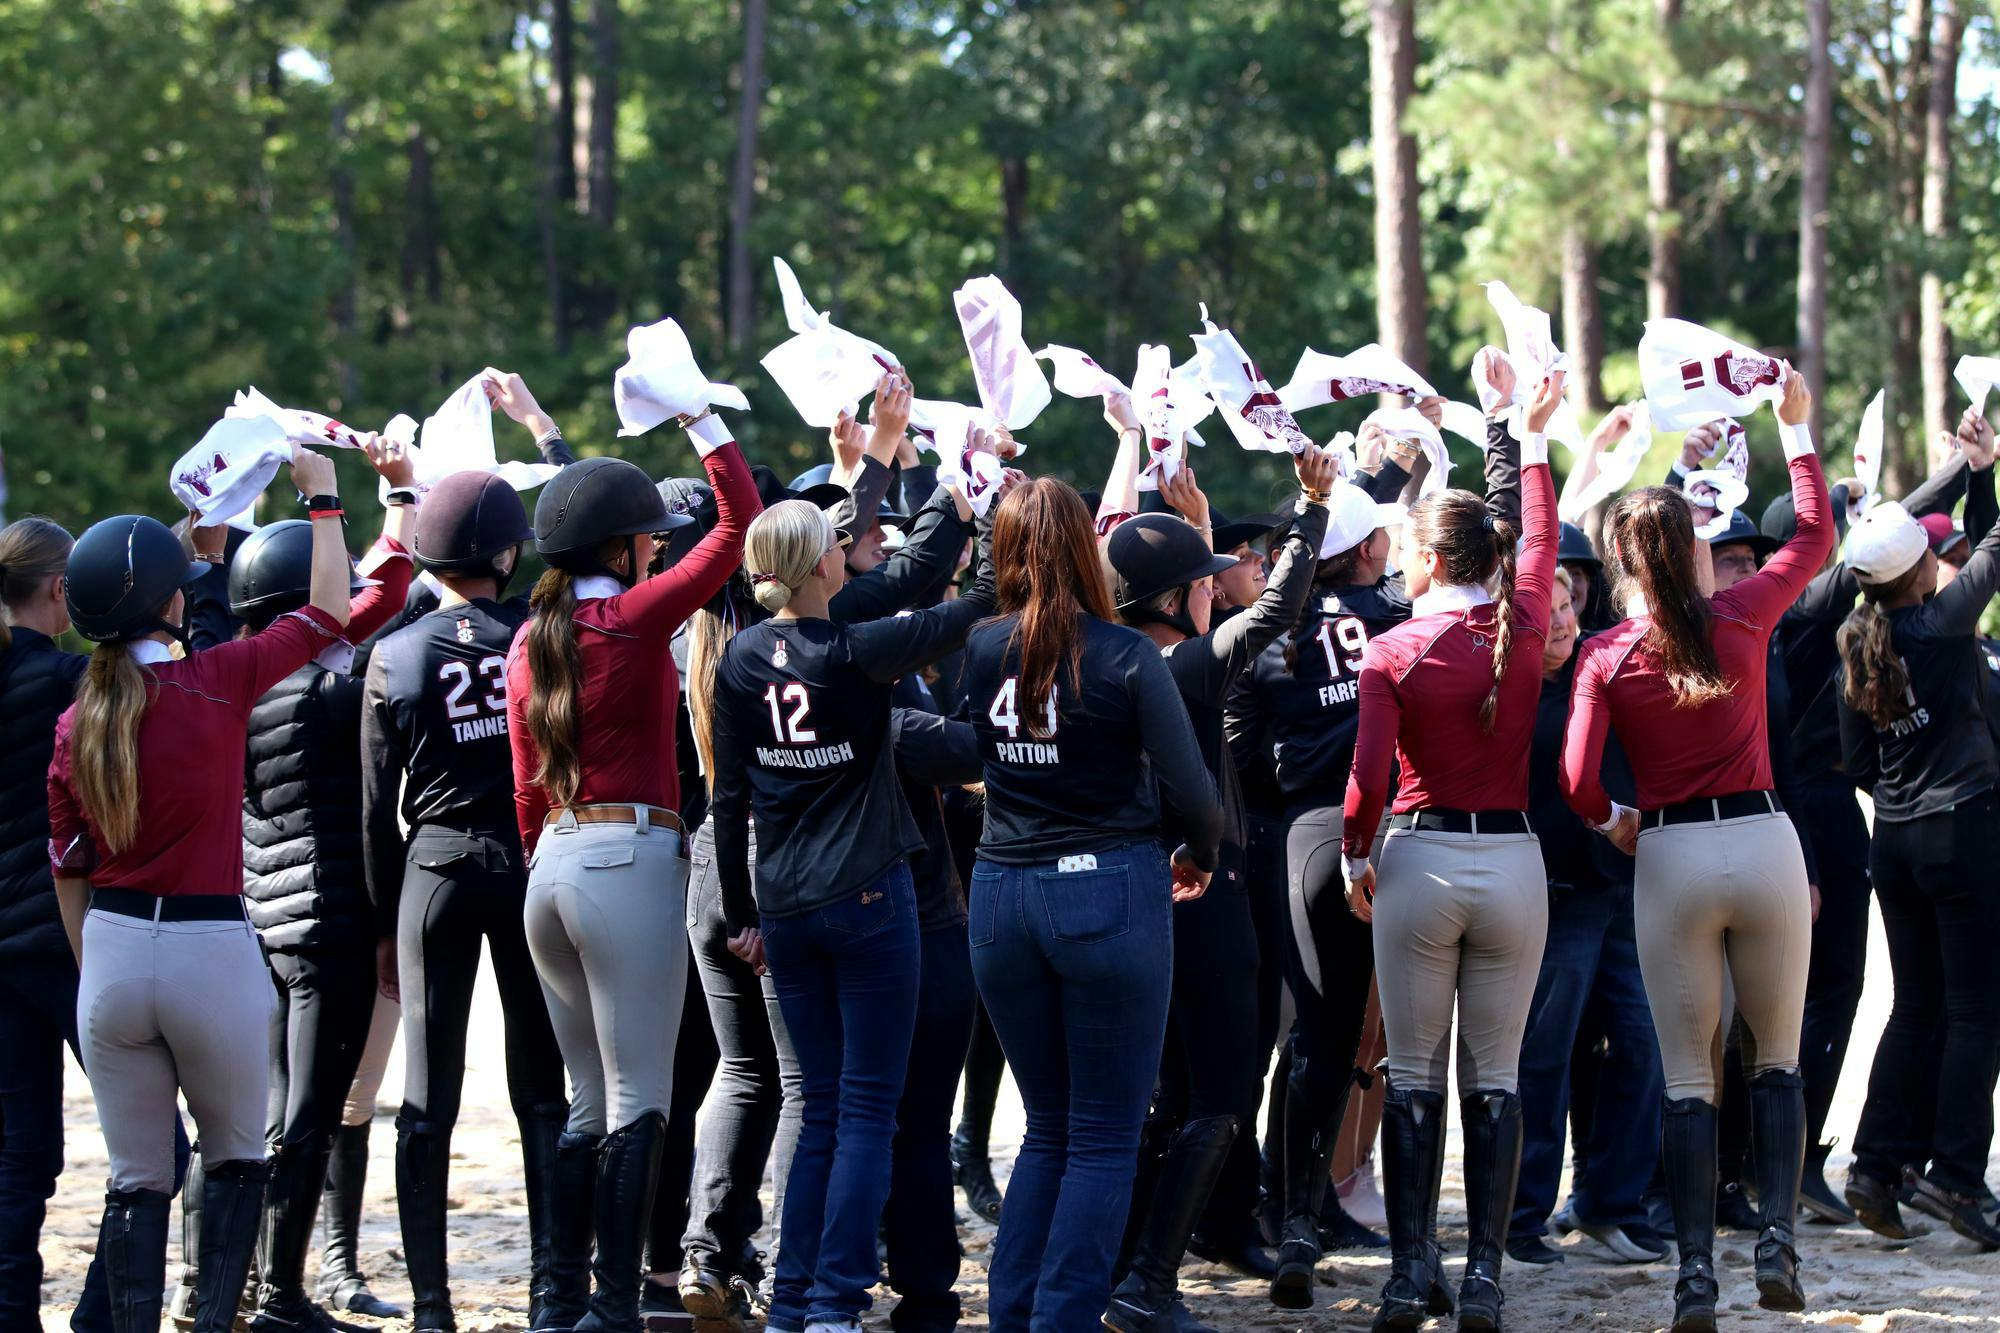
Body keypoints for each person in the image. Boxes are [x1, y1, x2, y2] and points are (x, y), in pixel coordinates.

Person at [48, 446, 351, 1333]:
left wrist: (98, 964)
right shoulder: (214, 680)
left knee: (137, 1177)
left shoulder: (77, 721)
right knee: (232, 1159)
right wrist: (323, 499)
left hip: (108, 950)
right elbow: (329, 609)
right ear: (171, 604)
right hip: (206, 944)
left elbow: (69, 872)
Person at [1561, 369, 1830, 1332]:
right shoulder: (1742, 612)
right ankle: (1778, 1239)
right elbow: (1814, 538)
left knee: (1687, 1077)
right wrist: (1797, 436)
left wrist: (1615, 824)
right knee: (1780, 1060)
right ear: (1695, 549)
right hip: (1762, 839)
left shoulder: (1602, 655)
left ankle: (1693, 1277)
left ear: (1621, 564)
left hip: (1670, 854)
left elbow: (1577, 779)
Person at [706, 493, 994, 1333]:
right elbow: (972, 605)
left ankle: (795, 1299)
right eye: (835, 543)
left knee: (823, 1106)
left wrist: (738, 914)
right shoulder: (857, 652)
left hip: (786, 907)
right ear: (821, 565)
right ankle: (836, 1299)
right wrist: (971, 507)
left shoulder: (739, 660)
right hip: (871, 898)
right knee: (869, 1105)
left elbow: (729, 800)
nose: (844, 550)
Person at [509, 407, 757, 1333]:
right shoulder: (629, 618)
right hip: (629, 855)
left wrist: (553, 855)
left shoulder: (528, 640)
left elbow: (527, 788)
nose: (657, 549)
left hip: (555, 866)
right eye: (646, 537)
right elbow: (736, 526)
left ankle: (556, 1300)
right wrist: (700, 415)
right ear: (618, 547)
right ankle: (611, 1309)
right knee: (641, 1099)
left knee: (585, 1100)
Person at [959, 478, 1222, 1333]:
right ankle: (1059, 1320)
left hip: (1001, 894)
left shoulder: (981, 644)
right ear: (1085, 548)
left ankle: (1016, 1316)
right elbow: (1197, 796)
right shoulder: (1124, 655)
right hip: (1105, 888)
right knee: (1105, 1135)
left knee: (1048, 1129)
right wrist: (1200, 853)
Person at [1341, 371, 1563, 1332]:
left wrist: (1357, 858)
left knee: (1416, 1073)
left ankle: (1407, 1270)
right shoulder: (1524, 627)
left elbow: (1367, 784)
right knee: (1499, 1076)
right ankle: (1484, 1278)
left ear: (1430, 558)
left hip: (1421, 863)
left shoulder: (1393, 650)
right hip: (1513, 859)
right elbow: (1540, 538)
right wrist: (1517, 437)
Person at [361, 372, 581, 1333]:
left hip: (435, 868)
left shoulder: (398, 652)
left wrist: (381, 921)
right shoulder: (541, 635)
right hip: (528, 860)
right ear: (504, 550)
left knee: (427, 1097)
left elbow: (378, 809)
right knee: (540, 1091)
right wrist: (546, 429)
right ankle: (546, 1295)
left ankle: (433, 1306)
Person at [1099, 446, 1333, 1333]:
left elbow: (1207, 601)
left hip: (1140, 896)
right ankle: (1149, 1276)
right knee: (1226, 1094)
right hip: (1208, 890)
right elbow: (1275, 606)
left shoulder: (1110, 658)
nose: (1216, 584)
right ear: (1173, 601)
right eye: (1201, 578)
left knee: (1165, 1091)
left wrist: (1192, 529)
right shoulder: (1186, 669)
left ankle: (1125, 1262)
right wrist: (1311, 506)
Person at [219, 435, 418, 1333]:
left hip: (264, 920)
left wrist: (398, 510)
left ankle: (230, 1285)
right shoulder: (337, 697)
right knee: (306, 1115)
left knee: (268, 1110)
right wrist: (363, 503)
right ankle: (283, 1294)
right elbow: (380, 602)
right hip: (331, 922)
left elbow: (378, 595)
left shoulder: (233, 684)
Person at [1763, 439, 1975, 1224]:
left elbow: (1896, 531)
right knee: (1836, 994)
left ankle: (1818, 1160)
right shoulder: (1813, 607)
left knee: (1839, 998)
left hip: (1836, 811)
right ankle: (1800, 1156)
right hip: (1821, 811)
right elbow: (1898, 534)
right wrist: (1968, 468)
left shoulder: (1805, 616)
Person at [1836, 409, 2000, 1248]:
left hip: (1893, 839)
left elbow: (1857, 760)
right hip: (1961, 828)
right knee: (1978, 1009)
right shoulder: (1942, 623)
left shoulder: (1857, 640)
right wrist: (1982, 471)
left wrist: (1976, 471)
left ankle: (1874, 1162)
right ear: (1926, 567)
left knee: (1916, 1005)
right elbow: (1998, 544)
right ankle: (1959, 1178)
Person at [1507, 568, 1665, 1268]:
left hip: (1628, 891)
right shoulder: (1504, 690)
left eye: (1569, 604)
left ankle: (1609, 1202)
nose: (1564, 621)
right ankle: (1517, 1217)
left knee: (1643, 1044)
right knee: (1541, 1060)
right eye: (1549, 610)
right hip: (1551, 895)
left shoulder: (1608, 660)